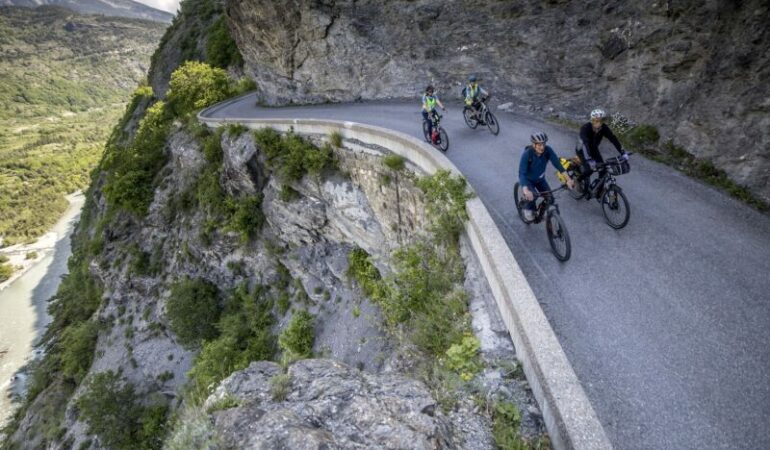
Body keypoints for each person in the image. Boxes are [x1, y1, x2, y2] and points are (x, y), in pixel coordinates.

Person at [519, 132, 575, 221]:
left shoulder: (548, 150)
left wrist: (568, 179)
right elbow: (522, 173)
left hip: (541, 179)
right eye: (539, 145)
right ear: (533, 144)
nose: (542, 147)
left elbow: (558, 165)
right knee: (533, 196)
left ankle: (540, 213)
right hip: (528, 181)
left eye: (544, 144)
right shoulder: (527, 154)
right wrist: (525, 190)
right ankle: (528, 208)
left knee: (550, 199)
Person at [577, 109, 628, 197]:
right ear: (592, 120)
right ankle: (578, 180)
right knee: (590, 169)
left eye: (601, 121)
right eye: (597, 121)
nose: (599, 123)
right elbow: (585, 144)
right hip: (582, 150)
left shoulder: (603, 128)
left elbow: (613, 139)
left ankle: (598, 190)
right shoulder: (585, 128)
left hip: (594, 149)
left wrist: (623, 152)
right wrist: (589, 160)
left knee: (603, 170)